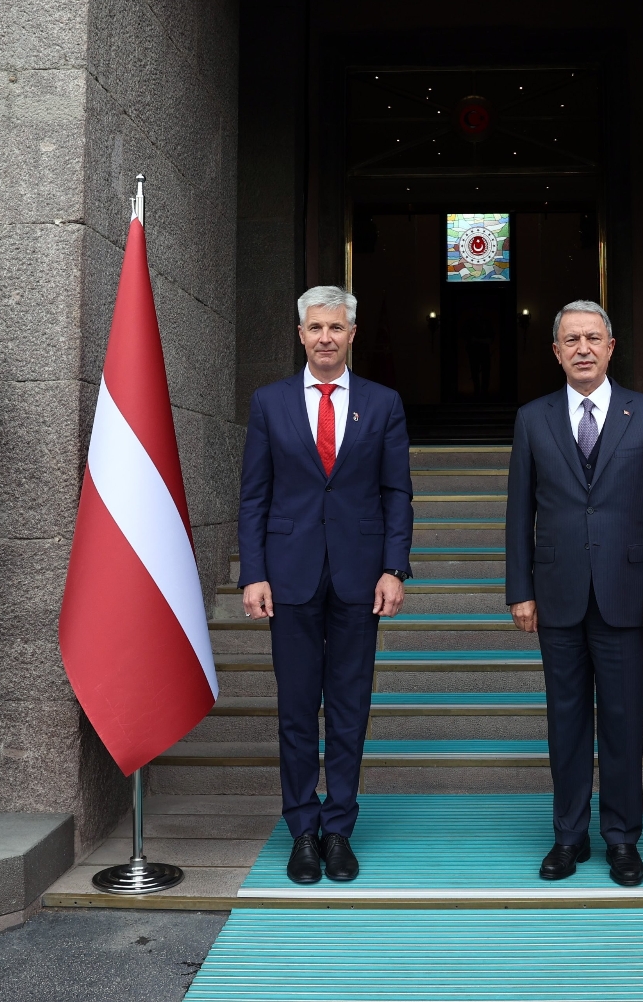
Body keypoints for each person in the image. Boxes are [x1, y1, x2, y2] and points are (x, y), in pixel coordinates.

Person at [238, 285, 413, 884]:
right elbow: (255, 496)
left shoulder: (384, 404)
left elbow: (397, 493)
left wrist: (395, 567)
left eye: (336, 328)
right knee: (295, 710)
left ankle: (339, 828)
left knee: (347, 709)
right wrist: (253, 572)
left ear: (352, 334)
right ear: (301, 334)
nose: (325, 338)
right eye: (315, 328)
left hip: (359, 580)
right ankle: (302, 831)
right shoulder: (269, 402)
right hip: (288, 576)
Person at [506, 300, 643, 887]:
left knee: (624, 721)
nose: (582, 348)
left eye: (592, 337)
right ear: (555, 352)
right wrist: (519, 589)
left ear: (611, 347)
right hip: (555, 595)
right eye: (570, 340)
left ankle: (623, 840)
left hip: (627, 595)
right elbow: (518, 514)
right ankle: (568, 836)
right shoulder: (533, 419)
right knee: (566, 720)